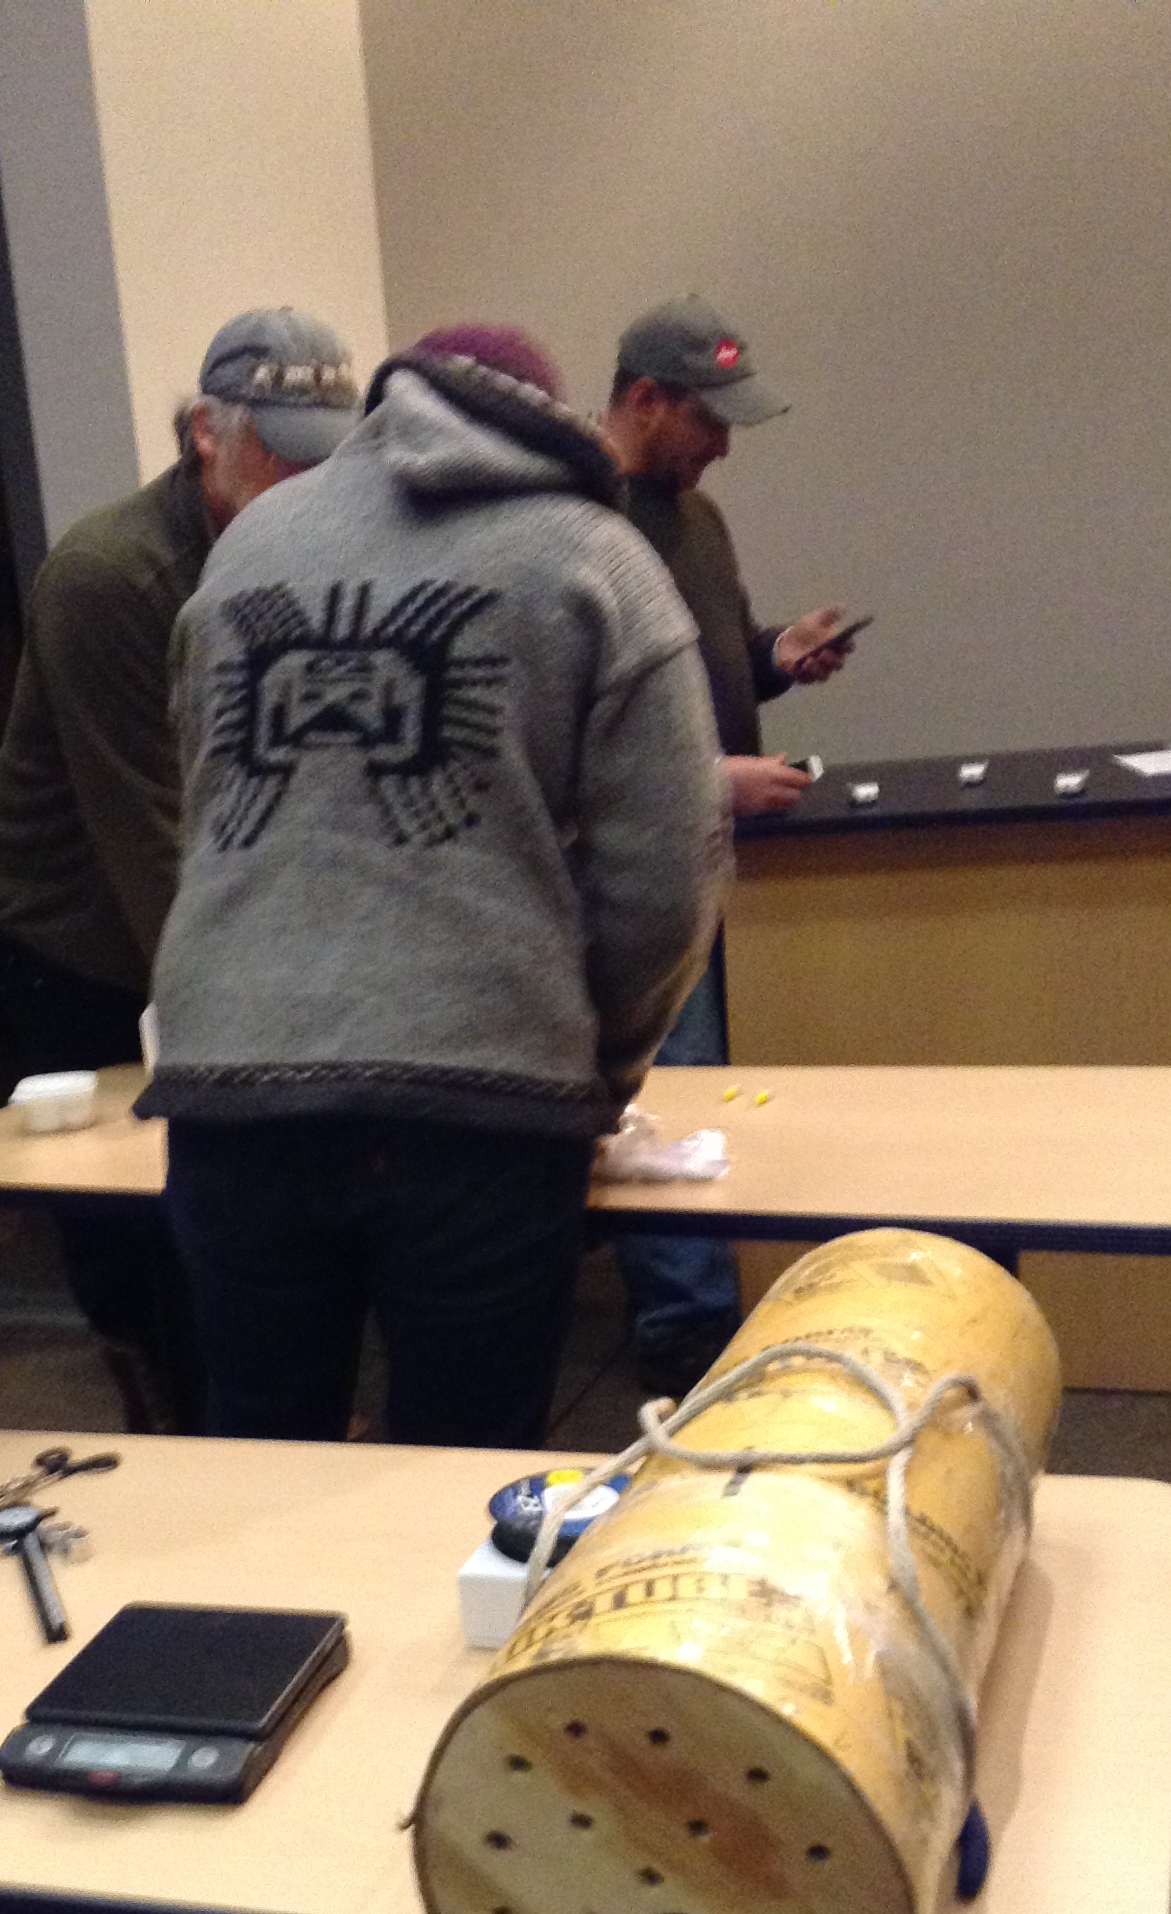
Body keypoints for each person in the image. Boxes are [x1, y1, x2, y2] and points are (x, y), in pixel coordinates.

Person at [137, 324, 728, 1450]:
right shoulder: (595, 557)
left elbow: (206, 807)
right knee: (464, 1470)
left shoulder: (248, 545)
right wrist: (597, 1068)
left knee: (258, 1462)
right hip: (480, 1105)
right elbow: (669, 872)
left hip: (230, 1088)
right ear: (552, 419)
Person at [0, 308, 360, 1429]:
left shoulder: (297, 551)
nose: (307, 485)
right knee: (145, 1229)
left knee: (247, 1219)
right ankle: (179, 1435)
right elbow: (148, 835)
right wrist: (257, 1022)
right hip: (78, 932)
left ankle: (264, 1425)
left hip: (202, 889)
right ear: (204, 434)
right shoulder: (109, 578)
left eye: (327, 457)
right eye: (281, 454)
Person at [599, 294, 859, 1396]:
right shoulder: (578, 525)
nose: (723, 446)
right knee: (673, 1087)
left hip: (700, 850)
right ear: (646, 399)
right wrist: (712, 780)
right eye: (709, 420)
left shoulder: (695, 522)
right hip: (627, 866)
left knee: (698, 1086)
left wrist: (772, 656)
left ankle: (691, 1315)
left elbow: (696, 669)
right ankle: (686, 1334)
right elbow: (578, 731)